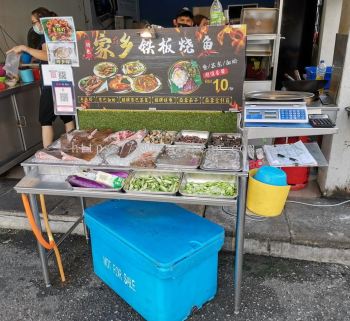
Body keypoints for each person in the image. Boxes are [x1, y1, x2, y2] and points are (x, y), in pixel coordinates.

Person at [7, 7, 75, 148]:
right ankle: (73, 149)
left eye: (34, 22)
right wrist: (31, 58)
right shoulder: (57, 33)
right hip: (64, 81)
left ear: (41, 21)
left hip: (52, 84)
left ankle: (47, 155)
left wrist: (25, 48)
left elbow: (48, 56)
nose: (33, 26)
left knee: (45, 120)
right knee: (68, 118)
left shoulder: (47, 34)